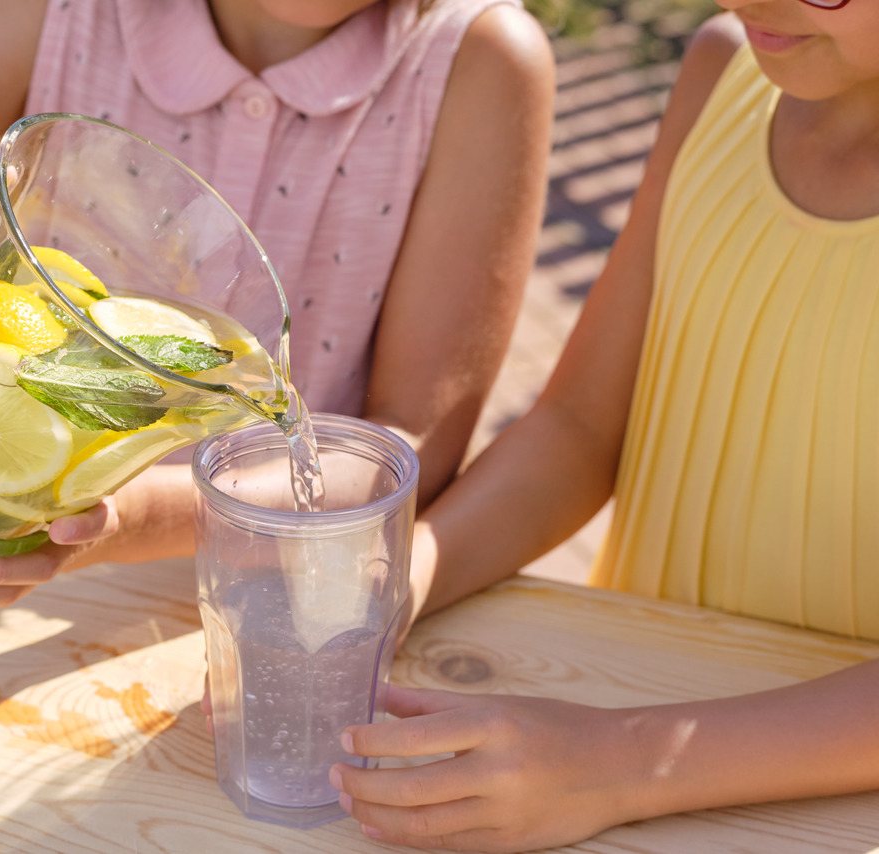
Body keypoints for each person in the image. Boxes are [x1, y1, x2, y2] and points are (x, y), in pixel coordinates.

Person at [0, 0, 555, 626]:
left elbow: (410, 441)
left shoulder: (477, 60)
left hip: (238, 619)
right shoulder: (56, 13)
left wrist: (124, 520)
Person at [326, 1, 879, 850]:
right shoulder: (722, 73)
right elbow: (581, 427)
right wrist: (396, 581)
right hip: (622, 705)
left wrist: (621, 764)